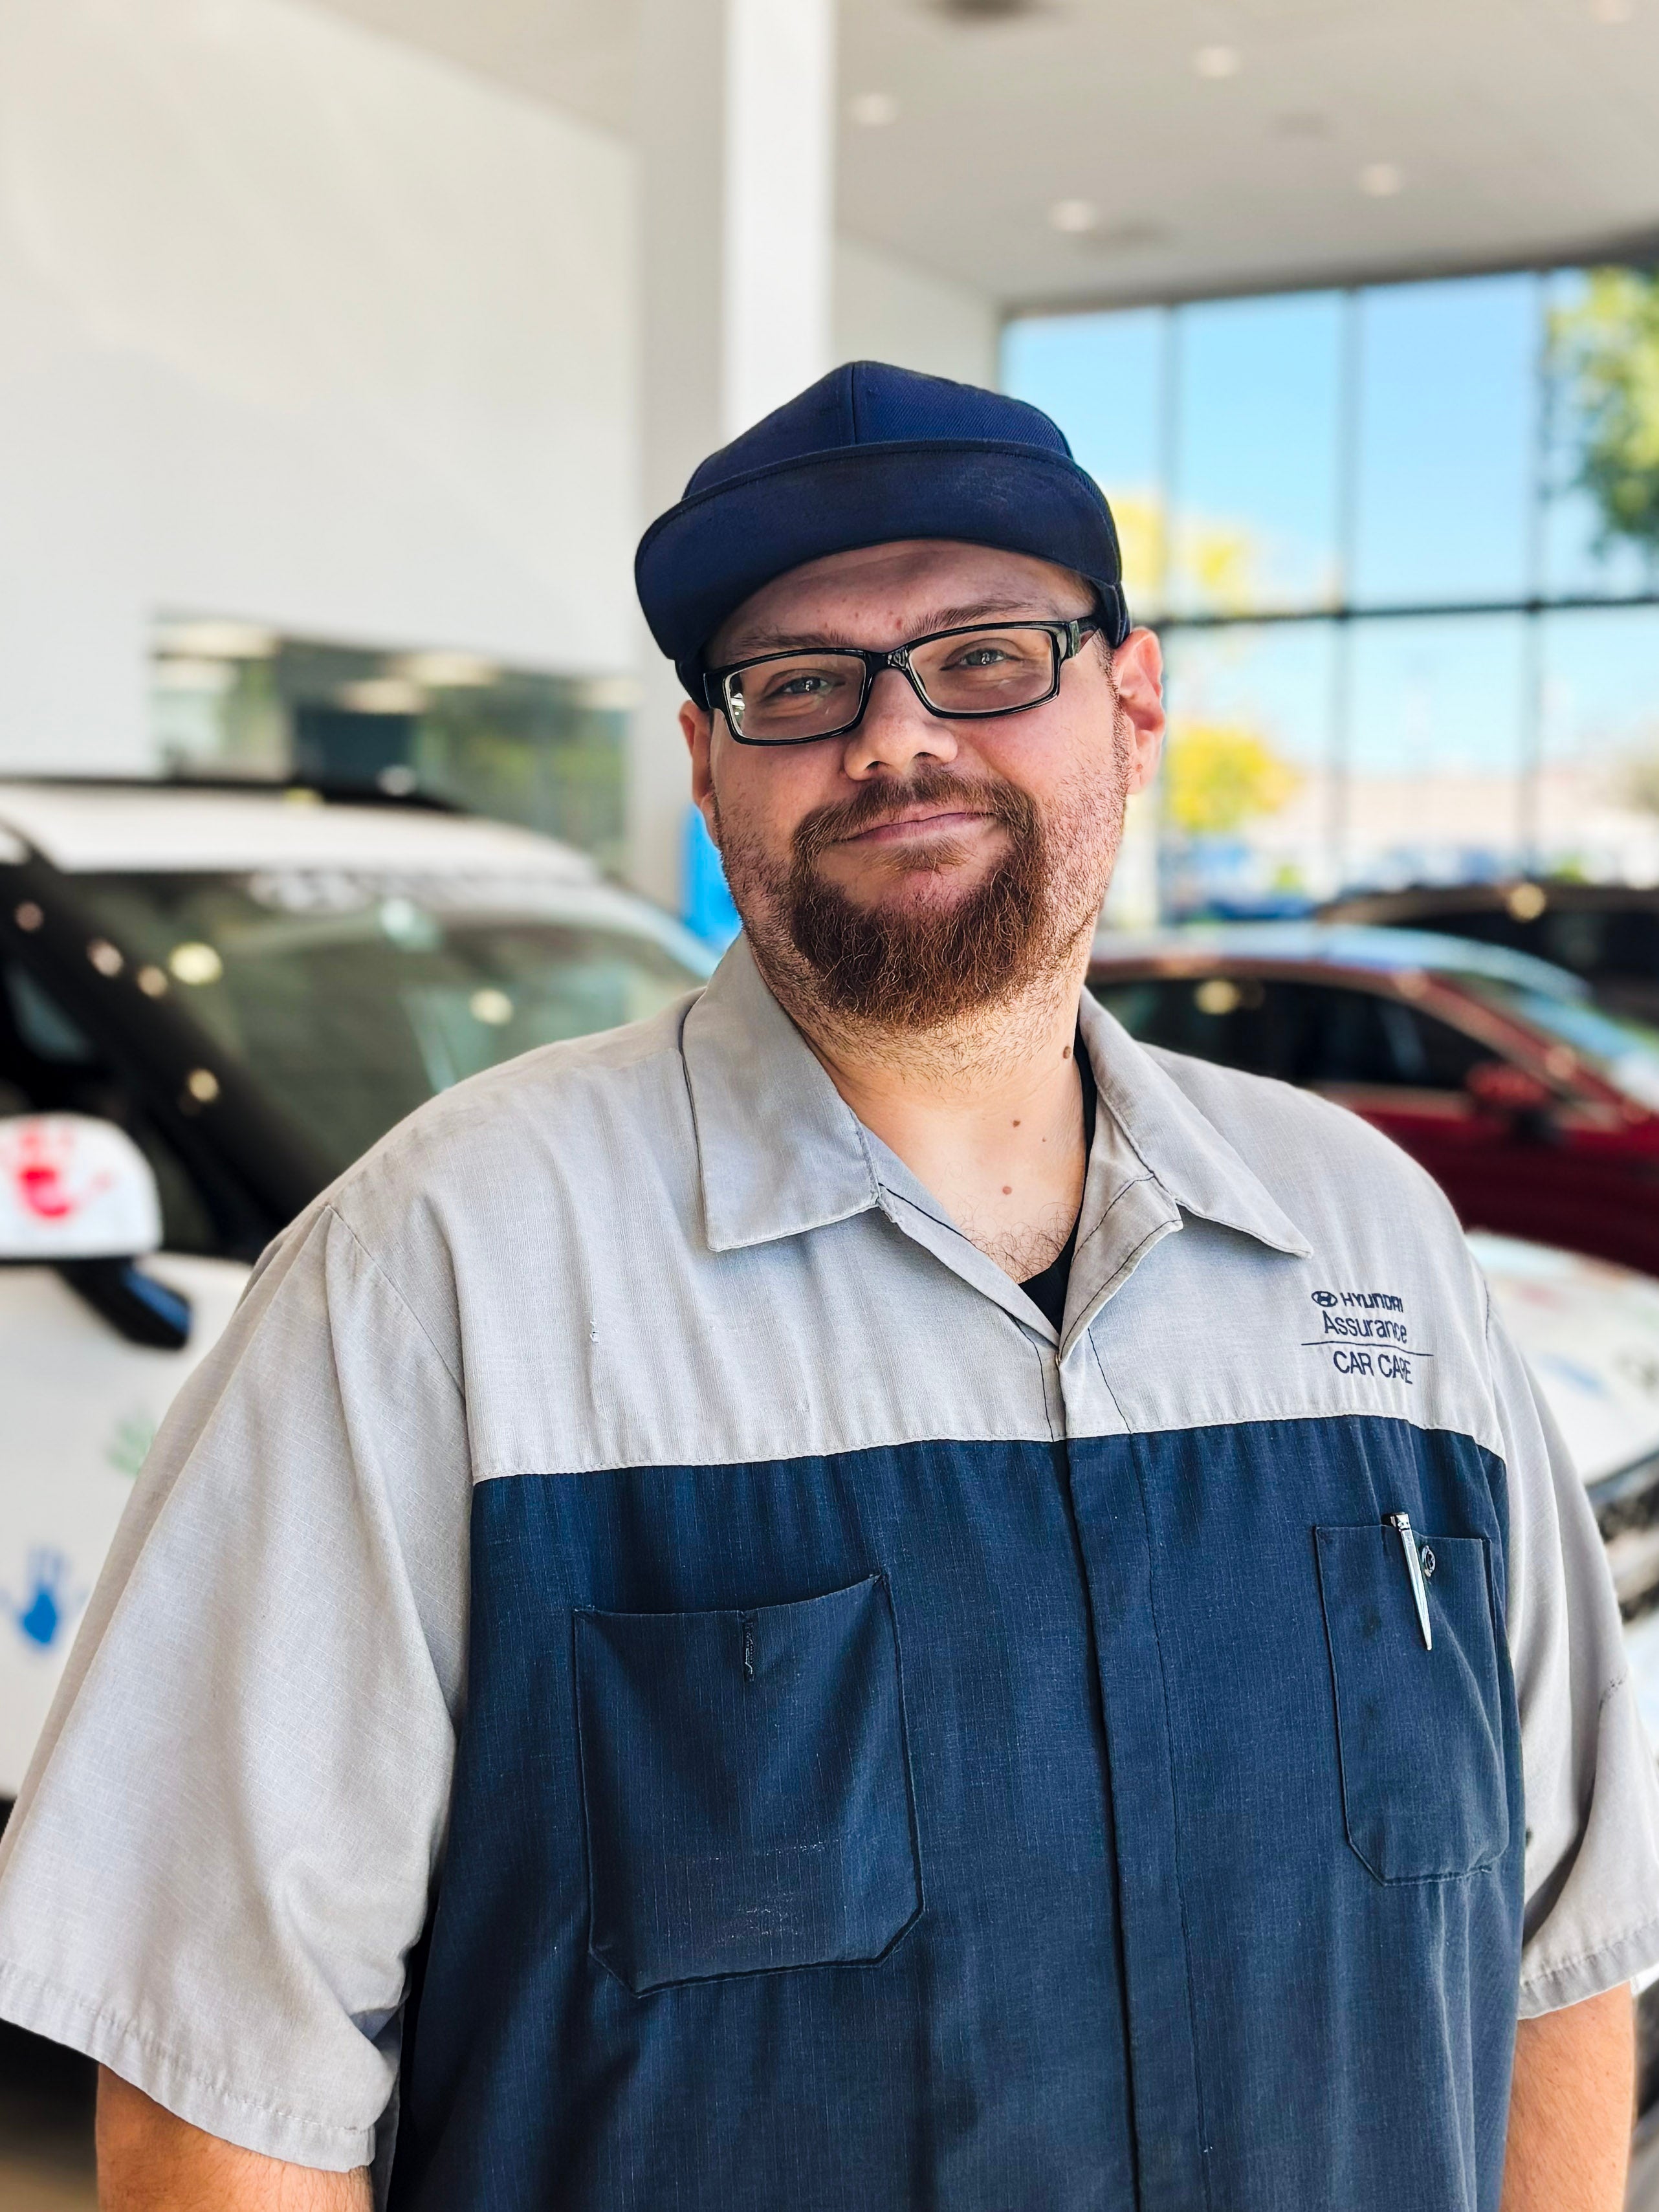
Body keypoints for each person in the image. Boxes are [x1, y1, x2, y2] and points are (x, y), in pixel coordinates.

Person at [0, 362, 1654, 2212]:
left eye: (984, 652)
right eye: (795, 683)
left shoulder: (1369, 1239)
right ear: (708, 763)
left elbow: (1554, 1956)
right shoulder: (439, 1279)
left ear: (1132, 697)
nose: (892, 737)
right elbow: (227, 2114)